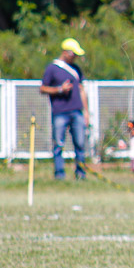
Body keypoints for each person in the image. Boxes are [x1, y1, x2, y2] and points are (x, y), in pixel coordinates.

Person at [40, 38, 90, 180]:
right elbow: (42, 88)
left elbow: (81, 90)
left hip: (77, 112)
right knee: (58, 145)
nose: (76, 57)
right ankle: (59, 174)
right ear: (66, 52)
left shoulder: (76, 70)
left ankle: (80, 174)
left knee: (80, 144)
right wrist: (59, 89)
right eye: (74, 54)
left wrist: (86, 112)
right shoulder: (52, 68)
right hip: (59, 112)